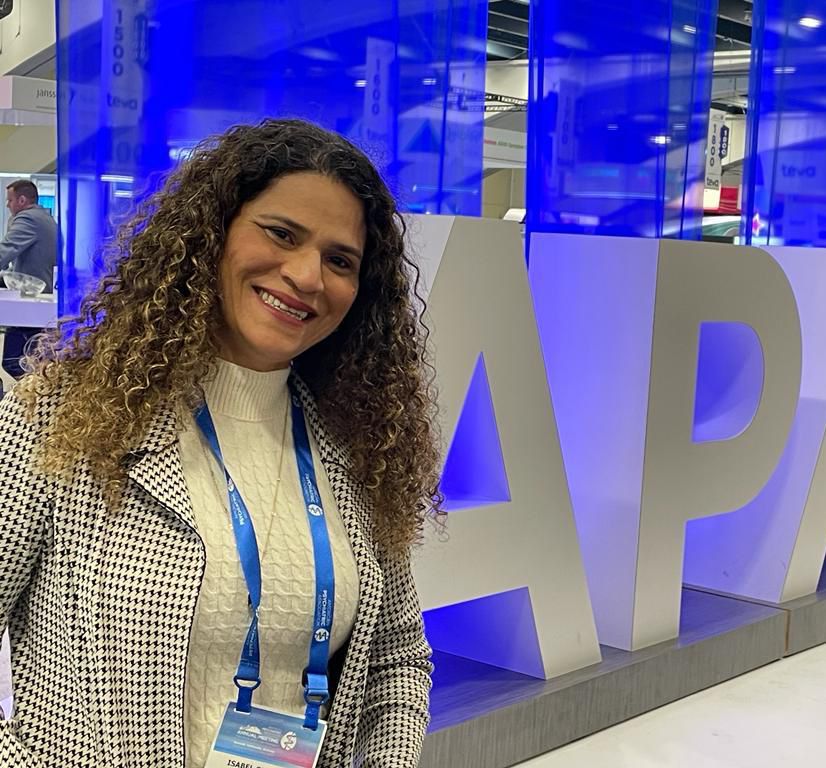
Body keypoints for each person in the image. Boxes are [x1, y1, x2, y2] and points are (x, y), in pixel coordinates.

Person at [0, 119, 443, 767]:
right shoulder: (62, 418)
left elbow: (399, 655)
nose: (306, 275)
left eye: (339, 260)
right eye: (282, 233)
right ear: (212, 232)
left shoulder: (355, 450)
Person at [0, 179, 58, 379]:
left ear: (22, 200)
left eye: (10, 200)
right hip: (40, 301)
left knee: (15, 363)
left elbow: (5, 251)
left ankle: (32, 402)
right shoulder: (46, 218)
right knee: (32, 365)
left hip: (29, 302)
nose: (8, 205)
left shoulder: (27, 219)